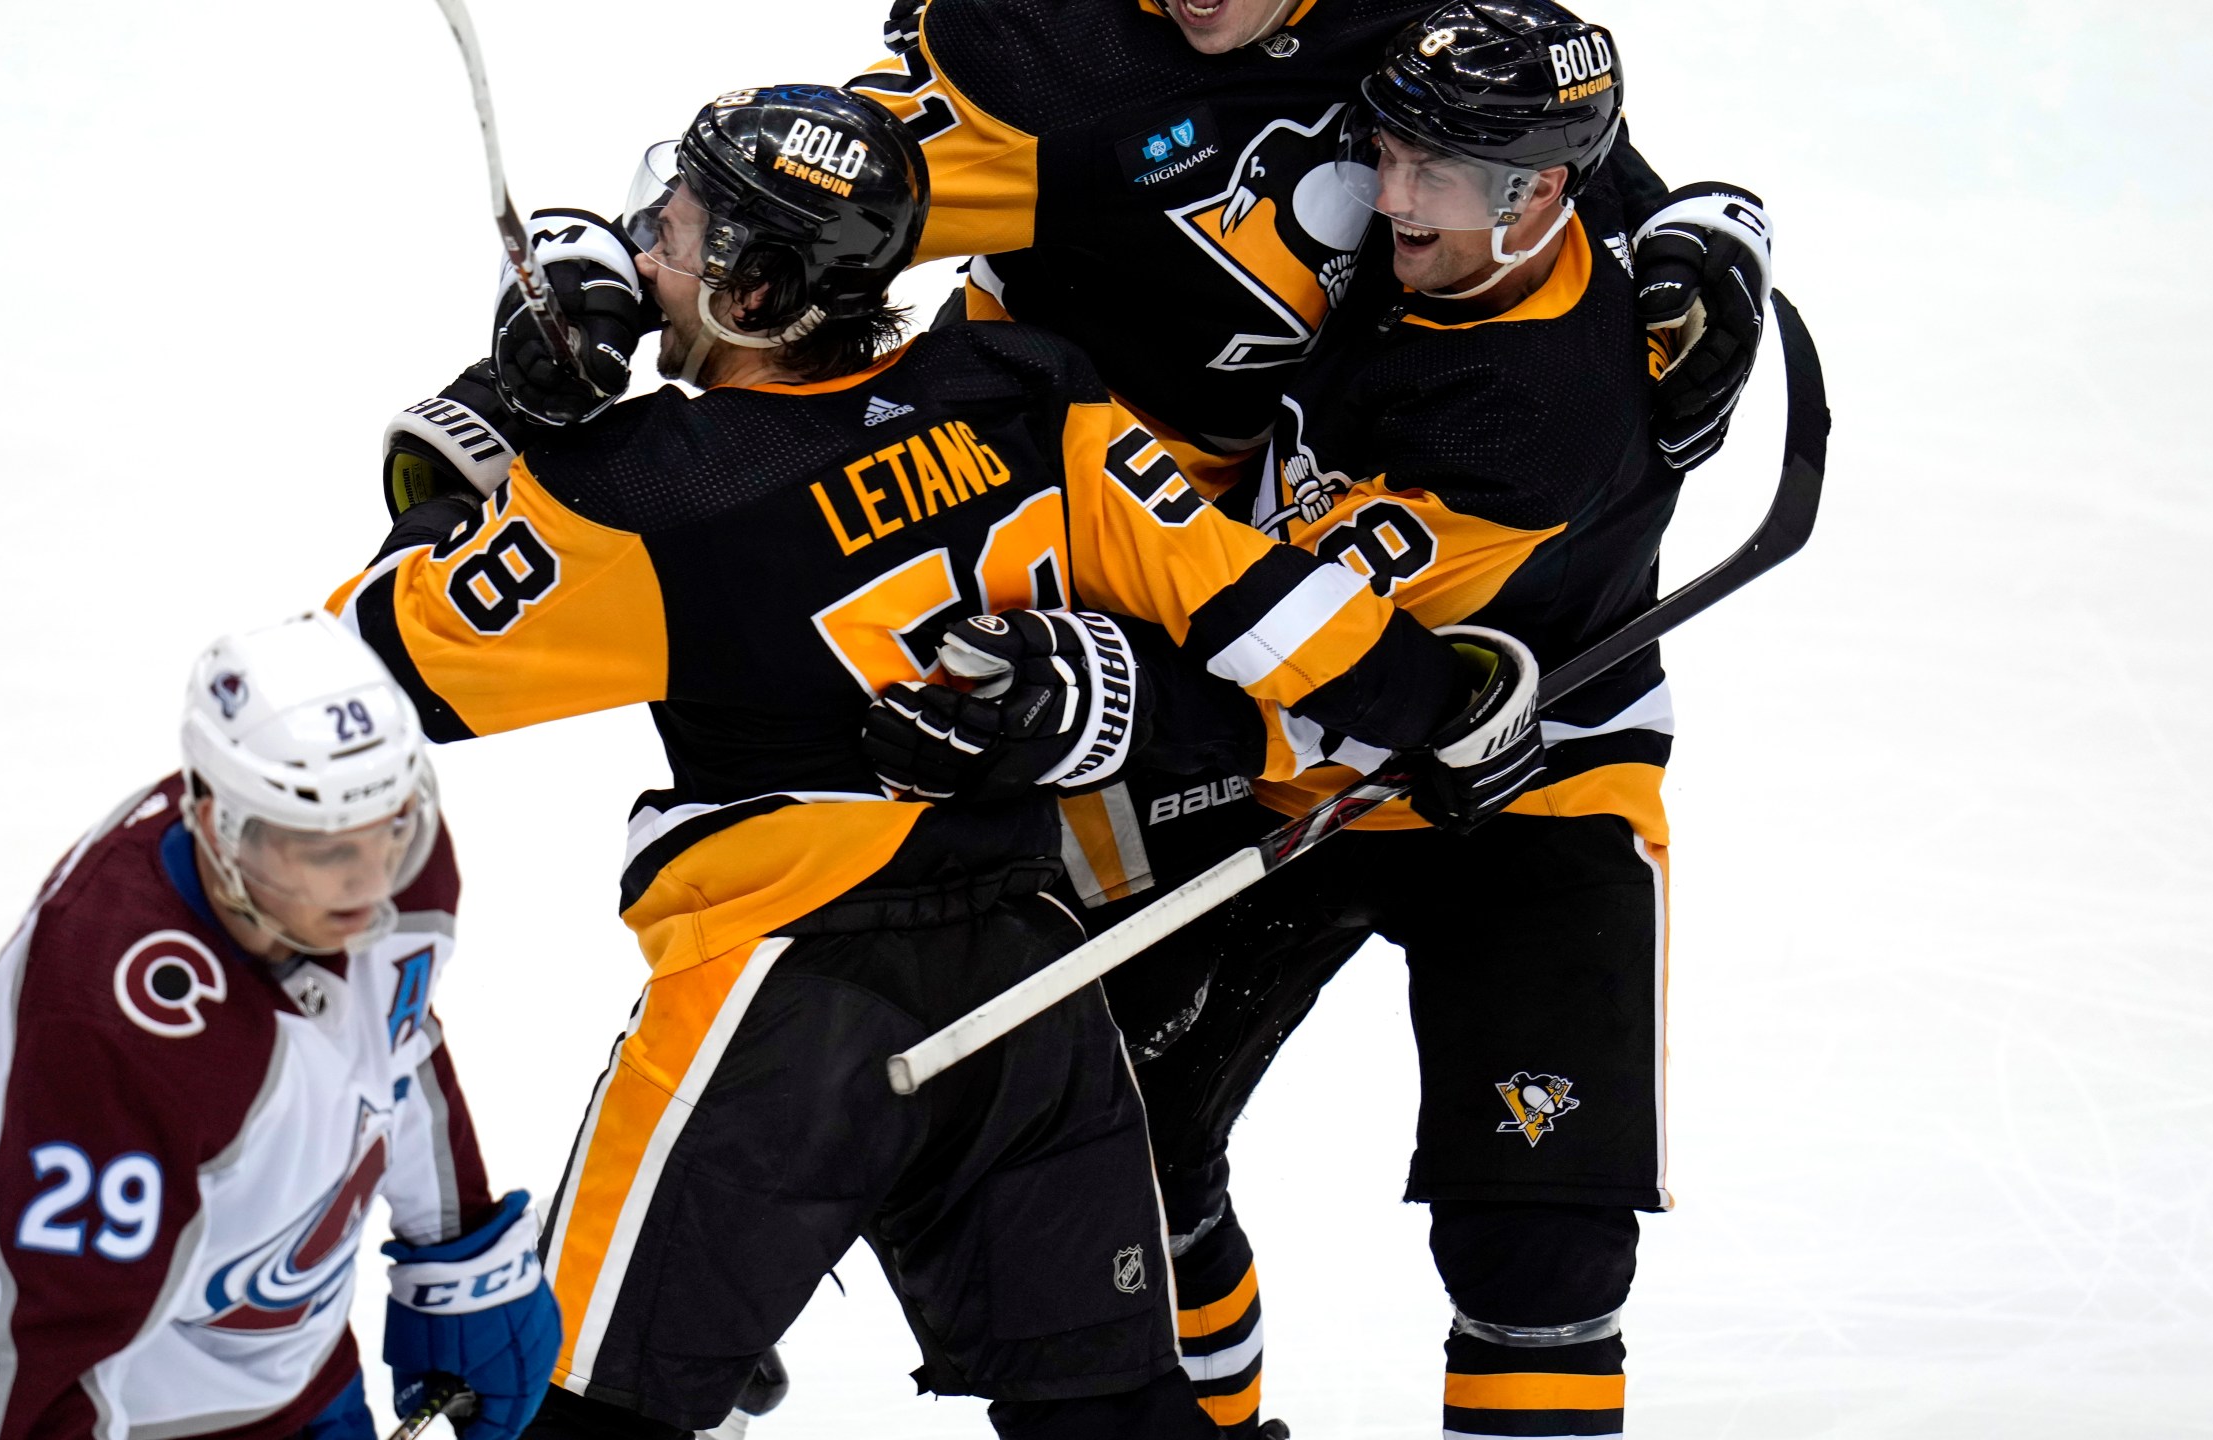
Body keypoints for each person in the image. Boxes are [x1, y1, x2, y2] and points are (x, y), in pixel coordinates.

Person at [341, 83, 1510, 1440]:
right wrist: (1450, 697)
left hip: (784, 1010)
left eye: (676, 222)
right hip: (1032, 983)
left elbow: (359, 680)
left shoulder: (644, 492)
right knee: (1115, 1419)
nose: (644, 236)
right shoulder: (1022, 387)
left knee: (585, 1410)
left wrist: (494, 420)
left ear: (761, 285)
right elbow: (1259, 605)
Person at [861, 5, 1791, 1437]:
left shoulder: (1534, 418)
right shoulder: (1466, 189)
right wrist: (1710, 220)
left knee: (1537, 1237)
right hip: (1301, 767)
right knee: (1133, 1151)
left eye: (1436, 172)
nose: (1391, 197)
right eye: (1393, 150)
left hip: (1526, 775)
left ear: (1539, 193)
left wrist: (1091, 704)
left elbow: (1321, 675)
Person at [0, 615, 562, 1440]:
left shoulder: (397, 866)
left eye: (388, 831)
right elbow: (32, 1340)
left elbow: (397, 1040)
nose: (371, 883)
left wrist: (459, 1246)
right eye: (324, 849)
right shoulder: (114, 1028)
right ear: (220, 824)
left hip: (277, 1332)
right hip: (88, 1382)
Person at [843, 0, 1771, 490]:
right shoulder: (1042, 49)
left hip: (1271, 492)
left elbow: (1534, 115)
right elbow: (799, 196)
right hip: (1025, 462)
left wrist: (1681, 221)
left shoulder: (1422, 13)